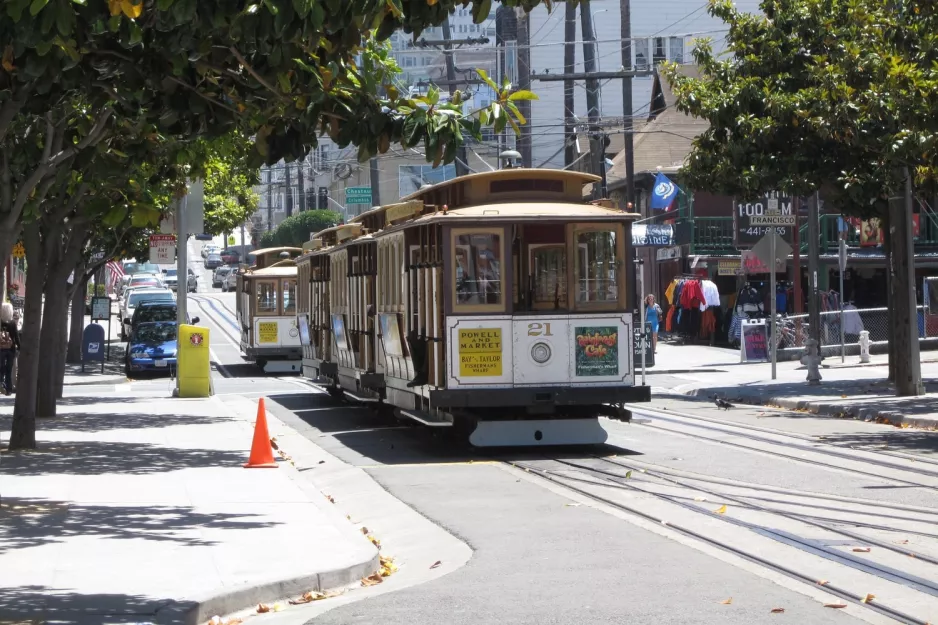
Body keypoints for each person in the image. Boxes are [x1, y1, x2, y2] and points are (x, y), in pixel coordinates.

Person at [1, 302, 20, 396]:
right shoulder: (12, 323)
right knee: (9, 370)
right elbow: (16, 337)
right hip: (10, 350)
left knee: (1, 368)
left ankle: (0, 384)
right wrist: (19, 347)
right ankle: (8, 389)